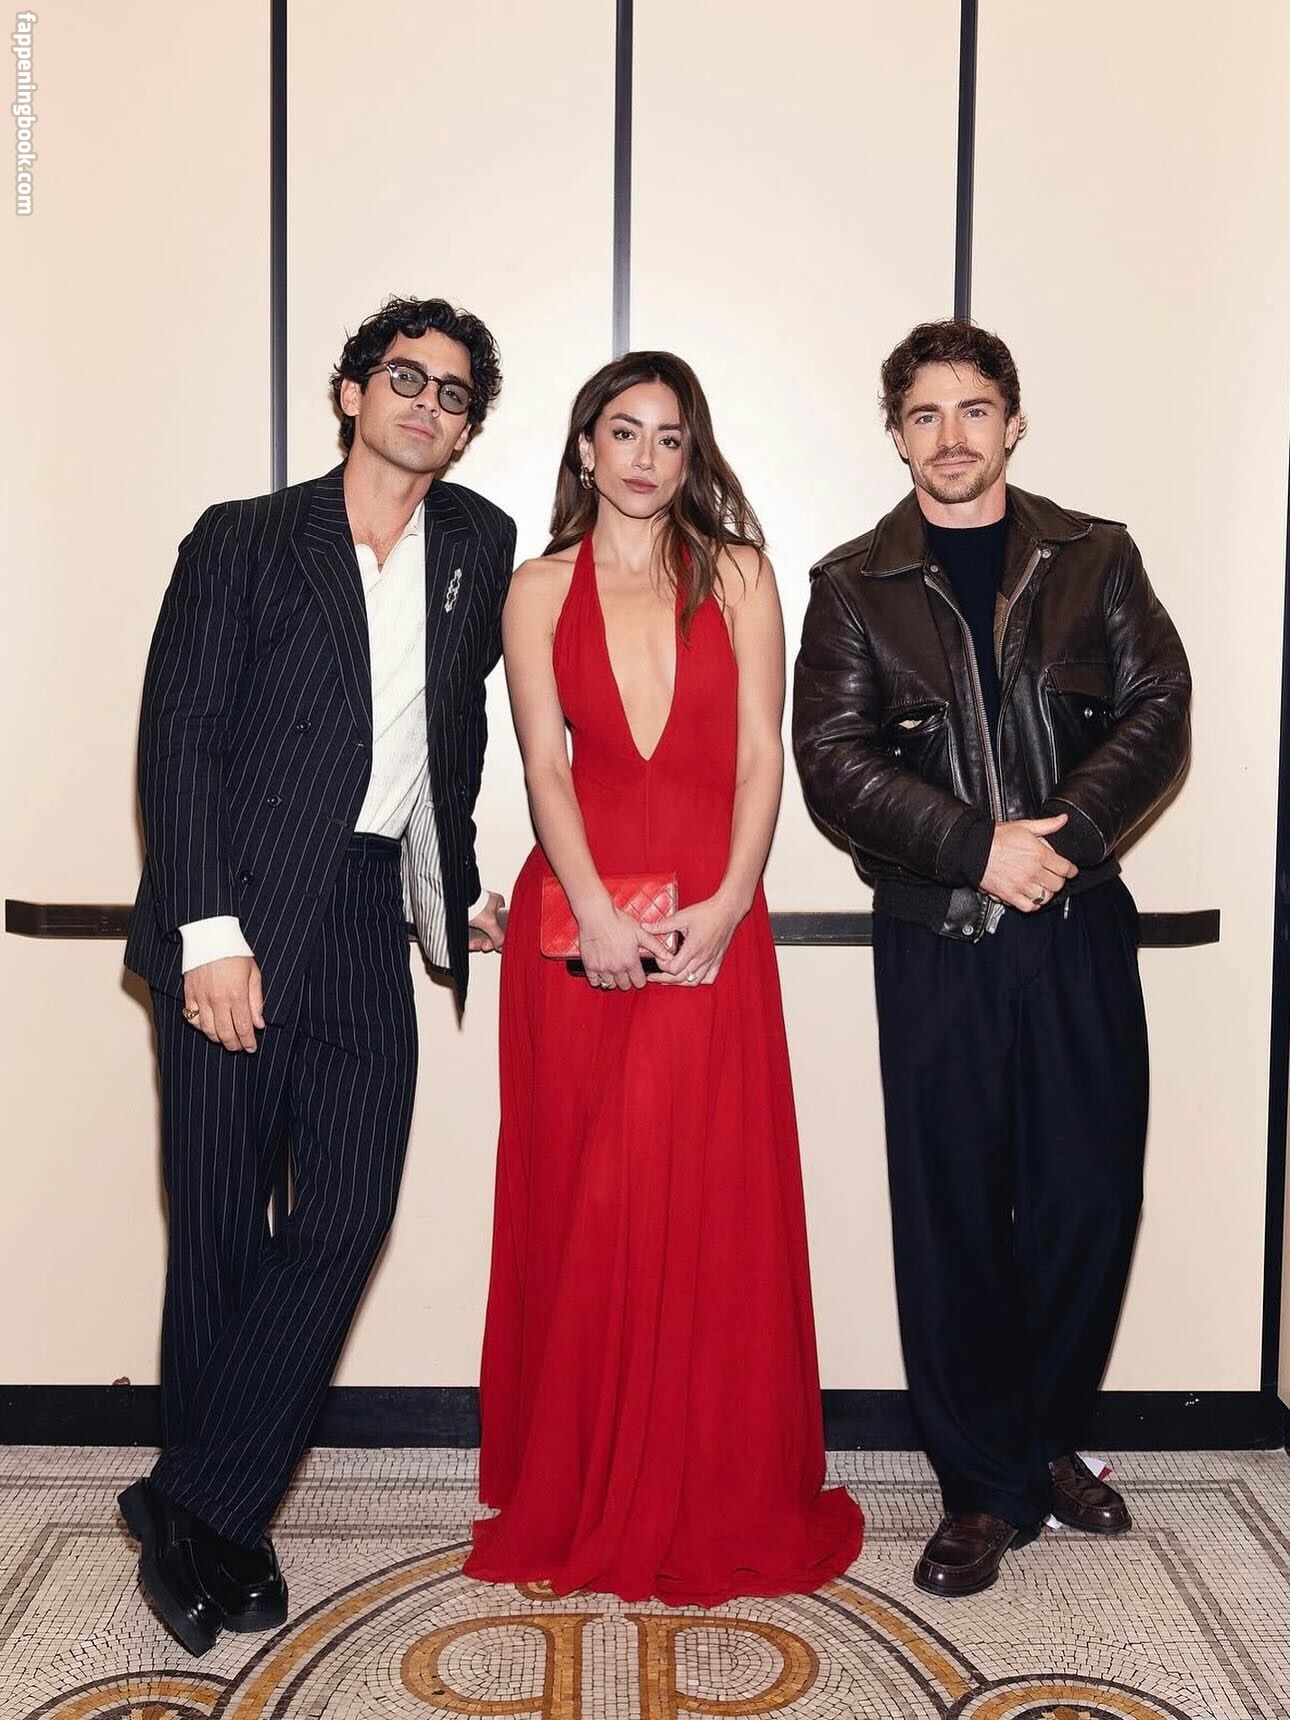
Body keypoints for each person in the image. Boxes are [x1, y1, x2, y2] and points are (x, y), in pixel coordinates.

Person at [117, 296, 516, 1654]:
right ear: (351, 392)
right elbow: (179, 738)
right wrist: (206, 933)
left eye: (452, 394)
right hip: (234, 908)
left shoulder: (478, 545)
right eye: (404, 377)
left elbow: (452, 735)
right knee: (222, 1231)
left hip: (361, 911)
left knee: (347, 1213)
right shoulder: (242, 537)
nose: (425, 404)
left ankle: (192, 1501)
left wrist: (456, 890)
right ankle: (222, 1524)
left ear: (467, 429)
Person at [793, 319, 1190, 1597]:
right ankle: (981, 1486)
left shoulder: (1098, 557)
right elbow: (831, 759)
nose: (951, 435)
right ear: (897, 434)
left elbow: (1160, 707)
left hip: (1077, 924)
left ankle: (1039, 1439)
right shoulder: (851, 586)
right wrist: (977, 849)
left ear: (1012, 423)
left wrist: (1057, 840)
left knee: (1089, 1198)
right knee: (954, 1213)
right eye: (925, 413)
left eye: (973, 409)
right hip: (940, 939)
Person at [464, 351, 863, 1603]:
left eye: (671, 436)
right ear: (586, 448)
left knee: (702, 1199)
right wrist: (589, 908)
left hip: (710, 915)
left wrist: (733, 902)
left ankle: (706, 1478)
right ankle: (583, 1478)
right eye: (624, 431)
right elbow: (543, 765)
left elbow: (760, 758)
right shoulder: (536, 587)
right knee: (587, 1198)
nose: (646, 456)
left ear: (694, 455)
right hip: (577, 923)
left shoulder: (740, 573)